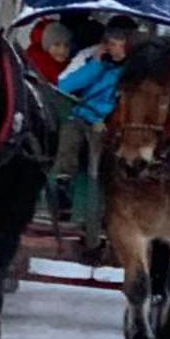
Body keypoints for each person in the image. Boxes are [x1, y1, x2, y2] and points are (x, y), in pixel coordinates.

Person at [49, 14, 139, 229]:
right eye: (111, 43)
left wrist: (106, 118)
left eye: (121, 44)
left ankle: (111, 202)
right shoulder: (89, 57)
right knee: (70, 134)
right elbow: (65, 85)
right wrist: (96, 65)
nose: (115, 48)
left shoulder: (137, 66)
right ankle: (62, 187)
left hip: (115, 122)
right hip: (83, 115)